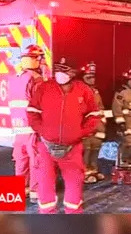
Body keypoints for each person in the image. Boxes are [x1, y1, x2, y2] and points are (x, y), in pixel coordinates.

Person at [26, 58, 103, 214]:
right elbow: (32, 112)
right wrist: (42, 130)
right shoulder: (44, 88)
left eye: (65, 70)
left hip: (72, 148)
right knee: (45, 182)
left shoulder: (84, 90)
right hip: (46, 146)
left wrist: (81, 133)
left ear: (73, 73)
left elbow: (94, 115)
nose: (60, 73)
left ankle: (73, 214)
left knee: (74, 181)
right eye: (58, 69)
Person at [11, 45, 45, 202]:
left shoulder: (17, 77)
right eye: (41, 59)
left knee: (21, 159)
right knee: (36, 159)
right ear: (36, 59)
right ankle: (35, 192)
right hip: (32, 128)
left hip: (18, 128)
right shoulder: (36, 79)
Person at [111, 67, 131, 173]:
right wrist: (120, 123)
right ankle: (123, 165)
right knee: (127, 144)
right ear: (126, 80)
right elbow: (117, 108)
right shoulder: (122, 93)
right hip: (127, 125)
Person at [81, 61, 107, 184]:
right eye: (89, 77)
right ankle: (85, 172)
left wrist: (102, 122)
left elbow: (100, 107)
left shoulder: (95, 91)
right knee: (87, 149)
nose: (92, 80)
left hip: (97, 125)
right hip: (86, 125)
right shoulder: (80, 91)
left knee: (96, 147)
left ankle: (93, 170)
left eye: (93, 77)